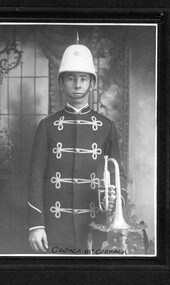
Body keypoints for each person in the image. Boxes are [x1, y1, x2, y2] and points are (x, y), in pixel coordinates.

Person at [28, 43, 127, 254]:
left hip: (95, 224)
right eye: (71, 78)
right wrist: (36, 225)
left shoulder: (107, 126)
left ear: (92, 83)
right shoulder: (47, 126)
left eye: (83, 78)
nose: (77, 85)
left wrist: (115, 203)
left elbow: (119, 174)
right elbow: (35, 177)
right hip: (54, 225)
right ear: (62, 82)